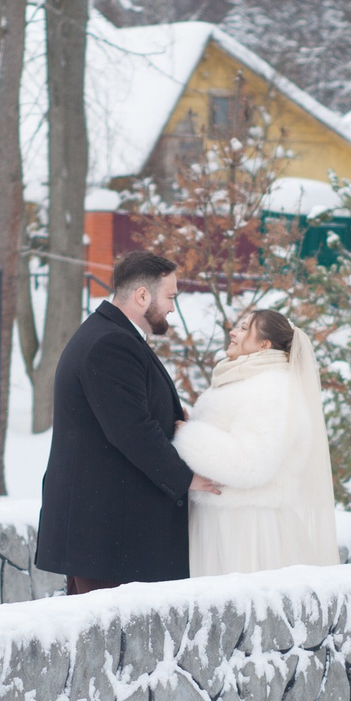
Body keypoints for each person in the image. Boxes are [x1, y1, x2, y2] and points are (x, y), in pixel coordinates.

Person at [35, 249, 215, 593]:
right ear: (141, 295)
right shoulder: (111, 343)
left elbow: (129, 416)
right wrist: (187, 477)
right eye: (170, 297)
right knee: (109, 643)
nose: (172, 308)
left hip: (105, 537)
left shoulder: (110, 334)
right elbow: (132, 432)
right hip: (105, 537)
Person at [172, 307, 340, 575]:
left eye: (243, 327)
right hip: (223, 522)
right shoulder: (243, 381)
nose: (233, 332)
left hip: (246, 529)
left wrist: (187, 436)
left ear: (264, 344)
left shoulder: (271, 388)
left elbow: (251, 464)